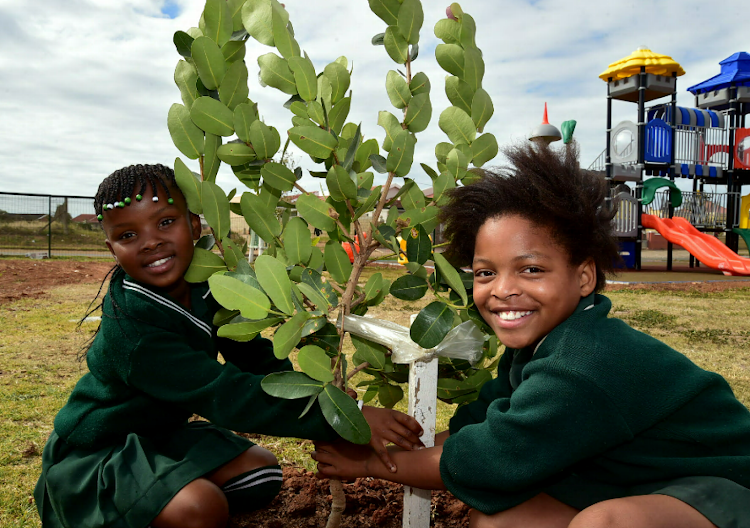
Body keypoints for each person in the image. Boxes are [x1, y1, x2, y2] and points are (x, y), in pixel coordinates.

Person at [312, 144, 750, 528]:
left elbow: (490, 458)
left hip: (727, 488)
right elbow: (479, 428)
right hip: (632, 475)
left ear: (583, 277)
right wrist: (399, 442)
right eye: (486, 272)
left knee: (605, 523)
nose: (502, 289)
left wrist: (374, 464)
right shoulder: (543, 343)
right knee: (500, 518)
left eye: (531, 269)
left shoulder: (582, 363)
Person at [35, 164, 423, 528]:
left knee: (262, 474)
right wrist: (345, 415)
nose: (151, 242)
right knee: (201, 508)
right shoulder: (133, 330)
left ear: (194, 224)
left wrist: (315, 403)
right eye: (128, 236)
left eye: (166, 222)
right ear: (112, 249)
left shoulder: (208, 286)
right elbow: (223, 394)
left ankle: (160, 494)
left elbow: (253, 357)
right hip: (99, 452)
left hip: (159, 437)